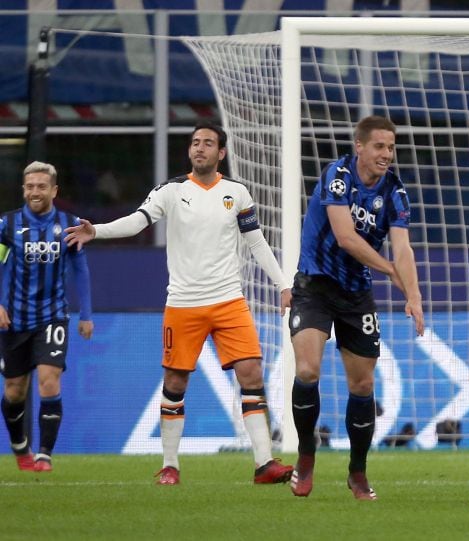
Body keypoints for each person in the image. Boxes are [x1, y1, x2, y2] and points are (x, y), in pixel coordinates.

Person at [64, 122, 293, 486]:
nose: (199, 148)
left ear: (221, 153)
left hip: (229, 300)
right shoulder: (171, 190)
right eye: (195, 143)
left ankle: (264, 464)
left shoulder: (237, 193)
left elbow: (256, 242)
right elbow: (138, 222)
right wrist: (98, 230)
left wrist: (282, 284)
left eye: (208, 143)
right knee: (175, 380)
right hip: (184, 303)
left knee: (251, 373)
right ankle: (170, 464)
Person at [287, 115, 424, 501]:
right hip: (314, 286)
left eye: (392, 147)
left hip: (355, 295)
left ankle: (358, 473)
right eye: (379, 146)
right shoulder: (338, 174)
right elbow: (346, 237)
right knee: (307, 369)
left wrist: (412, 295)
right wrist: (392, 273)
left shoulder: (396, 194)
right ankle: (306, 454)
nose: (387, 154)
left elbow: (402, 248)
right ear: (359, 146)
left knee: (363, 385)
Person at [0, 161, 93, 472]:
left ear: (54, 190)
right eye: (29, 186)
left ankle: (44, 454)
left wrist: (86, 314)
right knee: (15, 390)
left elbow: (81, 270)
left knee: (49, 381)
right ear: (23, 190)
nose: (34, 192)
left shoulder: (69, 225)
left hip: (53, 316)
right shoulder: (6, 225)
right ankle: (20, 446)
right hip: (13, 319)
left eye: (41, 186)